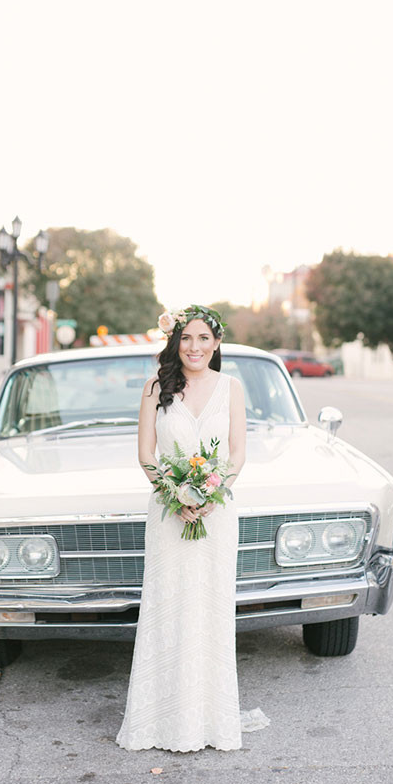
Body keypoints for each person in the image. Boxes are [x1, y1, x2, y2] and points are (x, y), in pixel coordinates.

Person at [116, 305, 268, 752]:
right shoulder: (155, 389)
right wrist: (176, 494)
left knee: (210, 609)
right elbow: (146, 453)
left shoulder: (231, 388)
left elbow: (238, 452)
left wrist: (211, 491)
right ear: (174, 342)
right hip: (168, 514)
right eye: (186, 338)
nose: (195, 347)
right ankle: (160, 719)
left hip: (217, 516)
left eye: (203, 339)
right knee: (169, 607)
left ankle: (209, 719)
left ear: (216, 343)